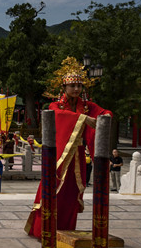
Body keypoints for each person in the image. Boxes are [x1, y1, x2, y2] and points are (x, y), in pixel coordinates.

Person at [26, 57, 111, 238]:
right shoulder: (55, 105)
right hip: (60, 155)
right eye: (72, 86)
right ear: (63, 87)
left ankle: (65, 228)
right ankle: (43, 229)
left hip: (79, 155)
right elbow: (57, 115)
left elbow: (105, 113)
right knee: (54, 188)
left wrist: (104, 118)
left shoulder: (87, 106)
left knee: (72, 191)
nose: (76, 89)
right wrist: (82, 119)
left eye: (79, 86)